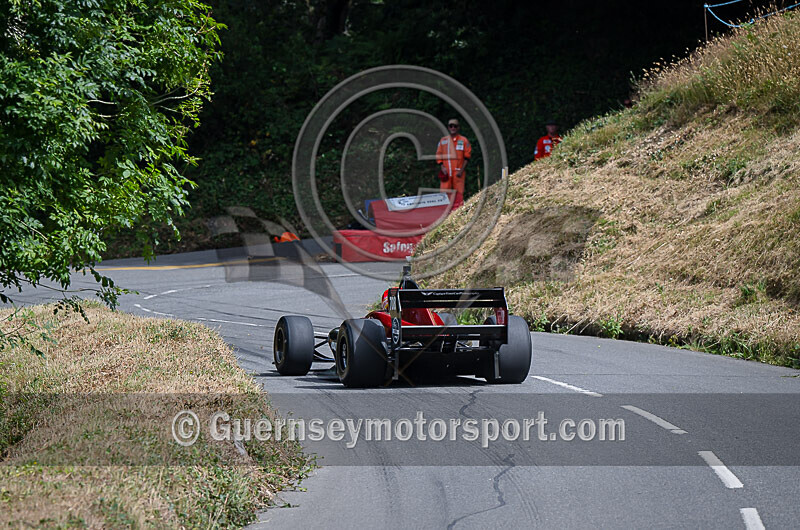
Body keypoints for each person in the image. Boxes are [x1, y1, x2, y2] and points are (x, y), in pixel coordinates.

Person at [436, 118, 472, 209]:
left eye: (455, 126)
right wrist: (442, 167)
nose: (453, 128)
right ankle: (444, 211)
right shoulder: (443, 140)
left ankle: (458, 211)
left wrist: (461, 170)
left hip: (458, 171)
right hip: (446, 172)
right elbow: (438, 155)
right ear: (448, 127)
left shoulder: (463, 140)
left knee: (459, 193)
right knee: (444, 193)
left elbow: (467, 157)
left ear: (458, 127)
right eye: (451, 126)